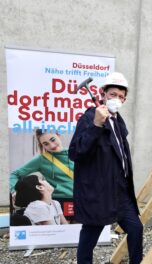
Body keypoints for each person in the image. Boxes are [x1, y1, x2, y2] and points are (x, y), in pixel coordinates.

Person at [69, 72, 143, 264]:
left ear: (124, 100)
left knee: (136, 229)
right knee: (89, 238)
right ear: (103, 94)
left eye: (120, 96)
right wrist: (95, 125)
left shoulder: (118, 121)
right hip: (100, 193)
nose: (116, 99)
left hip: (120, 191)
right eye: (112, 94)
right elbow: (76, 153)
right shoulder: (88, 118)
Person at [10, 129, 74, 222]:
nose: (52, 146)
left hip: (83, 198)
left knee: (81, 233)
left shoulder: (75, 153)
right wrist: (14, 191)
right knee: (63, 233)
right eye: (46, 144)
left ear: (58, 135)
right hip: (59, 201)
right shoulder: (41, 160)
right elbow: (14, 174)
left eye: (53, 140)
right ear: (42, 145)